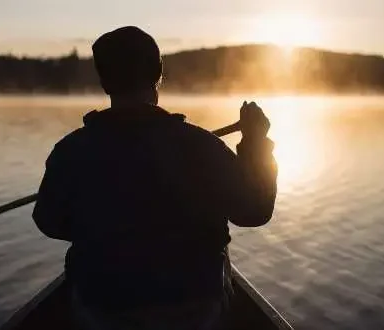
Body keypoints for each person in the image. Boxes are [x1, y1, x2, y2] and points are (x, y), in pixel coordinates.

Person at [32, 26, 278, 330]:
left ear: (104, 81)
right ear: (159, 72)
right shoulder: (201, 146)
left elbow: (48, 220)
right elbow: (255, 210)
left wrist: (102, 228)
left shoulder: (70, 151)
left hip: (103, 308)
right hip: (194, 311)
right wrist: (255, 144)